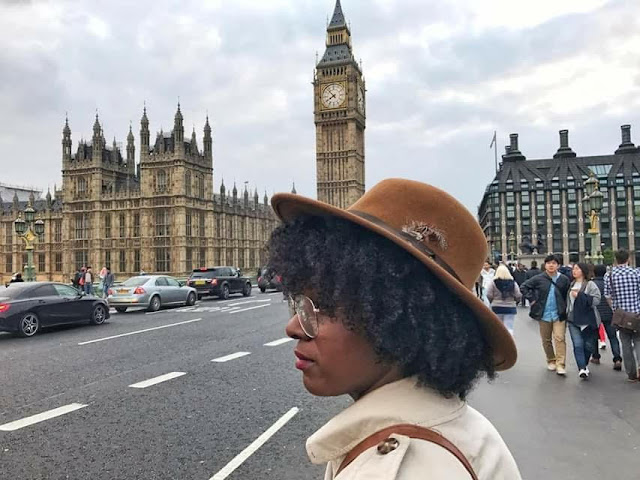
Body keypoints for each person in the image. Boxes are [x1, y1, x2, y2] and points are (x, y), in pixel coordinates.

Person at [267, 178, 521, 479]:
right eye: (300, 304)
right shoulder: (459, 426)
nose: (293, 327)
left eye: (322, 306)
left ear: (400, 321)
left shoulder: (396, 470)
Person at [520, 254, 571, 375]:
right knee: (546, 339)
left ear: (558, 265)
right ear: (545, 265)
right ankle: (551, 360)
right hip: (544, 313)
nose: (551, 265)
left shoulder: (564, 279)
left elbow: (567, 294)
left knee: (559, 338)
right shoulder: (539, 278)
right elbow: (524, 287)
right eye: (549, 263)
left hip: (559, 313)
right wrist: (532, 299)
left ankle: (560, 364)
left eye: (554, 263)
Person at [604, 249, 640, 382]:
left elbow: (607, 295)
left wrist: (614, 309)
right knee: (638, 341)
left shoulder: (609, 275)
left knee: (625, 343)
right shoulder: (636, 272)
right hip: (637, 313)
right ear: (628, 259)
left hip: (621, 316)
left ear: (615, 260)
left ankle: (631, 373)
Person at [566, 263, 601, 380]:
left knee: (588, 345)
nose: (574, 271)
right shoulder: (571, 284)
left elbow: (596, 300)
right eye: (573, 269)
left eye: (577, 269)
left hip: (587, 320)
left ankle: (584, 364)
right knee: (577, 344)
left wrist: (580, 295)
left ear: (583, 271)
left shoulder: (590, 285)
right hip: (573, 319)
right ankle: (581, 367)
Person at [591, 264, 622, 370]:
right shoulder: (609, 283)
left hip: (595, 314)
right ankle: (617, 358)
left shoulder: (592, 284)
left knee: (594, 337)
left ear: (594, 272)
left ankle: (595, 357)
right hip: (609, 314)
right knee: (613, 337)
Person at [486, 264, 522, 336]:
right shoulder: (513, 283)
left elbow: (489, 294)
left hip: (496, 307)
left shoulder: (493, 283)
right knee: (509, 326)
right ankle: (509, 340)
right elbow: (518, 295)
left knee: (498, 326)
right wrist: (515, 301)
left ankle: (499, 340)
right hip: (510, 307)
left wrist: (492, 301)